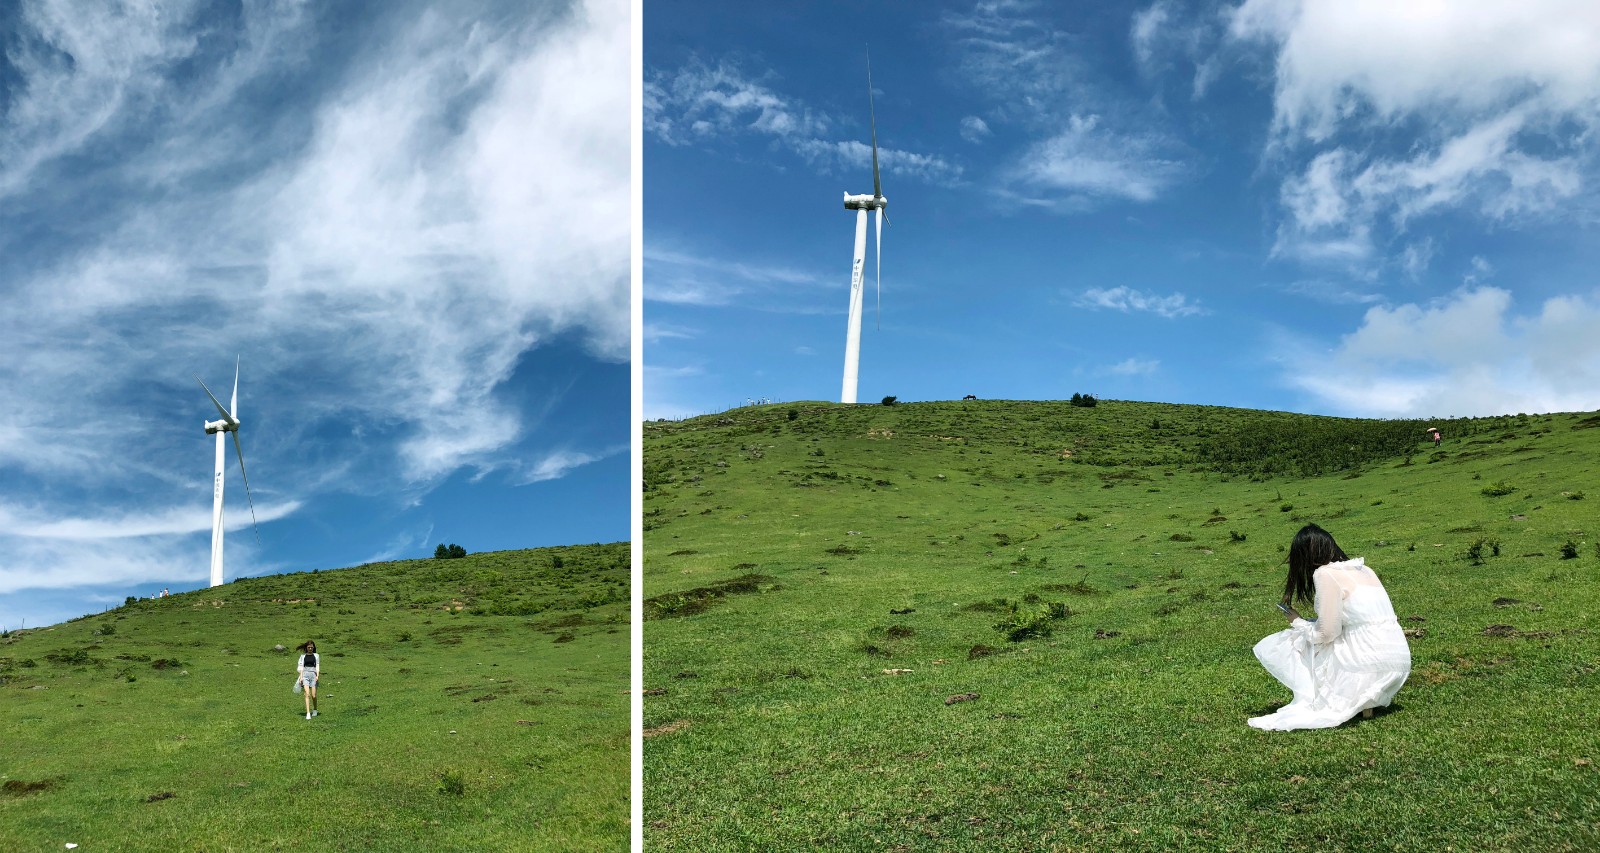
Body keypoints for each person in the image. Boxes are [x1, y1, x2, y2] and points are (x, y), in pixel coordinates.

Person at [1248, 524, 1411, 730]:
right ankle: (1367, 704)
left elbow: (1326, 634)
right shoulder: (1364, 569)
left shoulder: (1326, 574)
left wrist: (1297, 622)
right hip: (1397, 660)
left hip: (1364, 665)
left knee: (1294, 640)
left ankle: (1329, 696)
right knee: (1312, 632)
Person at [294, 640, 321, 719]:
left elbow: (317, 666)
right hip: (305, 674)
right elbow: (301, 667)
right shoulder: (303, 656)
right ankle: (308, 713)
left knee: (313, 695)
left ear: (313, 647)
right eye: (309, 647)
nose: (310, 649)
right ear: (306, 648)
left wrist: (317, 676)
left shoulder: (316, 656)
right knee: (307, 694)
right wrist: (301, 677)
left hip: (313, 674)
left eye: (311, 647)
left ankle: (315, 709)